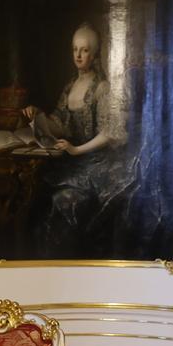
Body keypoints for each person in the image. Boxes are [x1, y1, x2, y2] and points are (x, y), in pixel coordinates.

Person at [20, 23, 135, 256]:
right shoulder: (70, 87)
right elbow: (59, 125)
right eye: (75, 49)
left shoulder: (101, 88)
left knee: (62, 201)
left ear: (94, 54)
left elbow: (109, 132)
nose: (78, 55)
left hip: (96, 164)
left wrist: (76, 150)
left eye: (84, 50)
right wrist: (38, 115)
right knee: (37, 195)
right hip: (72, 161)